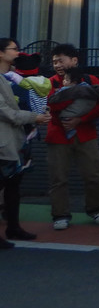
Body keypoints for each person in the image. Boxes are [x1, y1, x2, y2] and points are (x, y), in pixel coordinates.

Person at [44, 44, 99, 230]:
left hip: (86, 134)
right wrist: (73, 101)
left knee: (94, 175)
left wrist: (80, 119)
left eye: (61, 60)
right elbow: (49, 107)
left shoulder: (91, 79)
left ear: (74, 60)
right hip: (57, 135)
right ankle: (60, 215)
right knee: (58, 178)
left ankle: (96, 209)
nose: (57, 65)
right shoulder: (49, 82)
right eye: (54, 61)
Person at [1, 38, 50, 247]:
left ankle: (13, 227)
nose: (18, 53)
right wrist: (33, 117)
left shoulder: (12, 78)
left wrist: (37, 113)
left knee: (13, 185)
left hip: (15, 139)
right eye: (14, 49)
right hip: (4, 140)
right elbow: (4, 111)